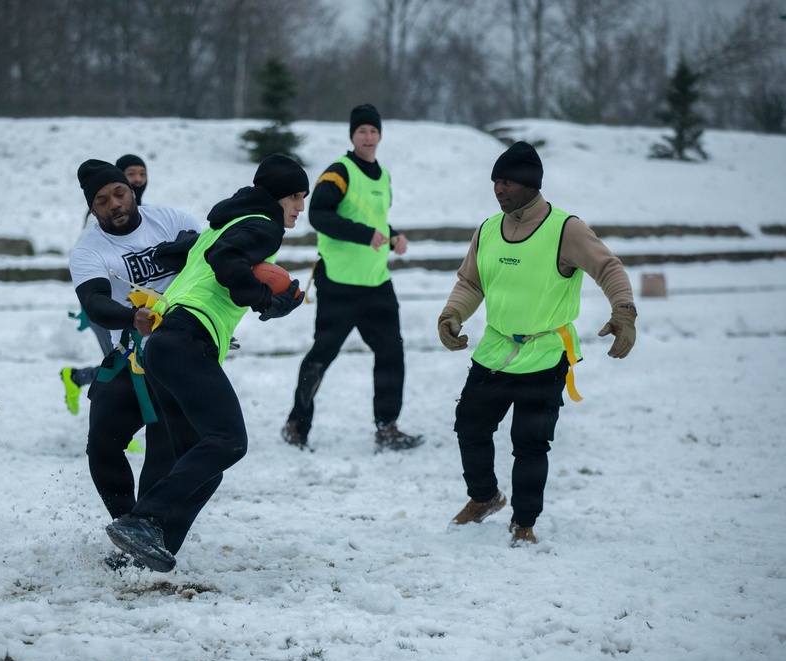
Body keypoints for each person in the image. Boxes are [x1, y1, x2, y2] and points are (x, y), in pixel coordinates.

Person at [105, 154, 308, 572]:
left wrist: (267, 303)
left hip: (164, 342)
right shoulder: (263, 225)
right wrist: (268, 298)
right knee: (228, 441)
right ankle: (141, 521)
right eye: (295, 196)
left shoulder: (221, 224)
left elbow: (180, 254)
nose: (299, 207)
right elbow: (228, 262)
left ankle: (138, 558)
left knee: (203, 465)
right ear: (276, 196)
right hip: (186, 340)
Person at [437, 141, 637, 545]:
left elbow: (607, 267)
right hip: (494, 352)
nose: (498, 189)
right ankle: (484, 497)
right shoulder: (489, 228)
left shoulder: (566, 229)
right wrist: (452, 315)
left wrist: (624, 312)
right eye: (495, 181)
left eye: (507, 181)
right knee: (470, 428)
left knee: (530, 444)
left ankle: (523, 523)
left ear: (531, 183)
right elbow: (471, 282)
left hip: (545, 354)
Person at [70, 158, 200, 570]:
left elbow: (208, 260)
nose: (114, 204)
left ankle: (151, 534)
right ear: (92, 209)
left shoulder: (172, 219)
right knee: (101, 445)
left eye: (119, 193)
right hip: (128, 356)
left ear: (132, 188)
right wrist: (132, 317)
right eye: (102, 200)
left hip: (181, 352)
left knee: (164, 449)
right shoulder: (89, 249)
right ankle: (130, 528)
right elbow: (93, 302)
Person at [281, 103, 423, 454]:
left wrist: (394, 235)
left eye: (374, 131)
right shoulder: (338, 172)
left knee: (392, 353)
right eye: (362, 131)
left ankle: (386, 427)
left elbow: (373, 220)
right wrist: (364, 235)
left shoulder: (383, 176)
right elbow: (318, 214)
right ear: (352, 135)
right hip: (339, 284)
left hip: (377, 282)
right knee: (322, 355)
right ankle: (296, 425)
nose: (369, 137)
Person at [60, 153, 151, 414]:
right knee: (123, 366)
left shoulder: (147, 216)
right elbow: (87, 261)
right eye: (131, 173)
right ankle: (113, 422)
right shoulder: (99, 221)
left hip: (139, 306)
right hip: (109, 307)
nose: (138, 178)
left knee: (135, 365)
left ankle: (79, 379)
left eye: (142, 173)